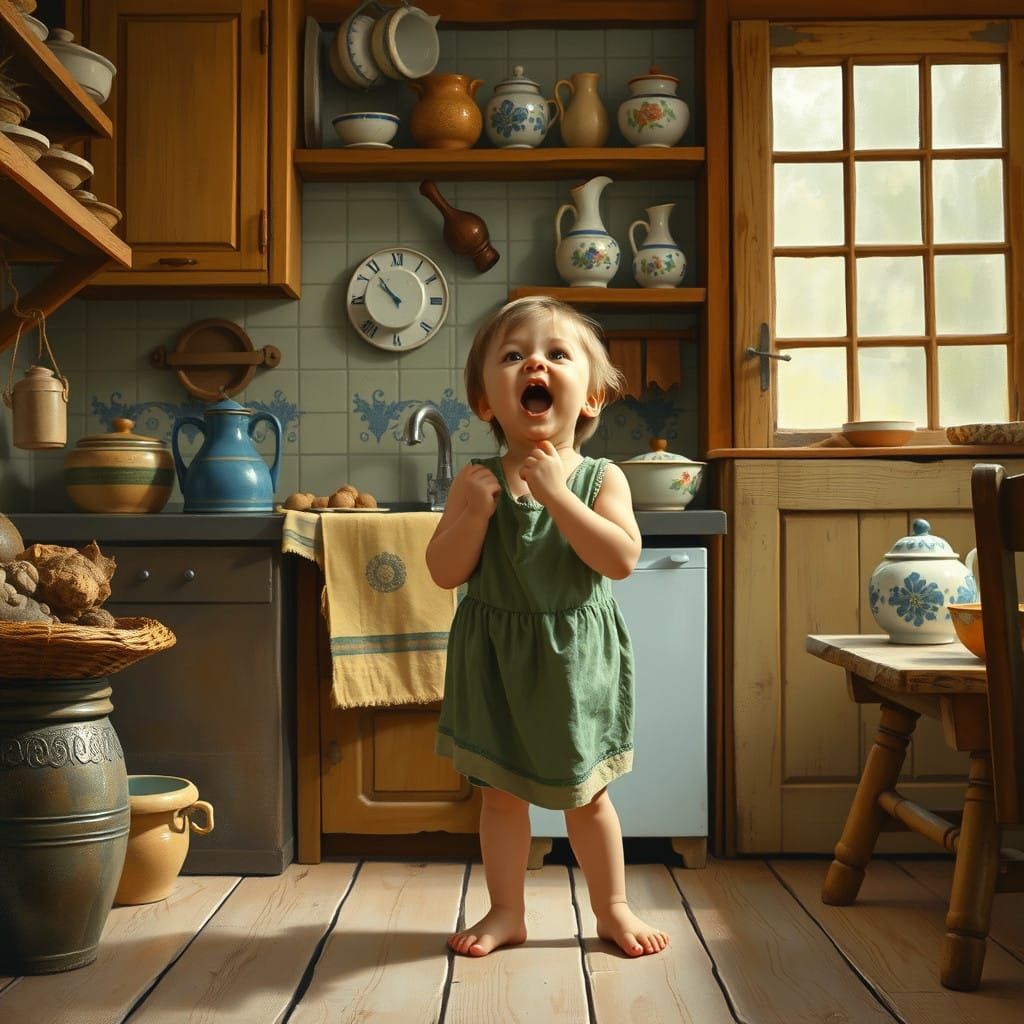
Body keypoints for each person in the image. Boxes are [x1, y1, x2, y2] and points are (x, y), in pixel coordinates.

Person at [426, 295, 669, 959]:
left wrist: (559, 494)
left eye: (556, 354)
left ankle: (612, 907)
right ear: (485, 402)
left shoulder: (600, 478)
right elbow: (444, 572)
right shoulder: (476, 482)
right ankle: (507, 910)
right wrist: (472, 515)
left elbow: (619, 559)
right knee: (501, 800)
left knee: (585, 799)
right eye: (513, 355)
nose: (534, 361)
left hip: (574, 664)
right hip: (496, 664)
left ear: (590, 397)